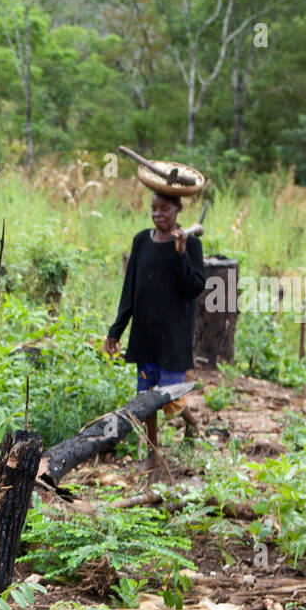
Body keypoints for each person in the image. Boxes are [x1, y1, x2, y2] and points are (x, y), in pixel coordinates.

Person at [104, 191, 206, 471]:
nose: (158, 214)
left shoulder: (191, 244)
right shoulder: (141, 241)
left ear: (178, 209)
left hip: (174, 335)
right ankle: (154, 454)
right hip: (146, 333)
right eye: (154, 209)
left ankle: (194, 425)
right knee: (148, 398)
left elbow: (194, 287)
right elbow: (130, 290)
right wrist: (116, 329)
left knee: (169, 397)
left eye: (165, 209)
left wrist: (182, 253)